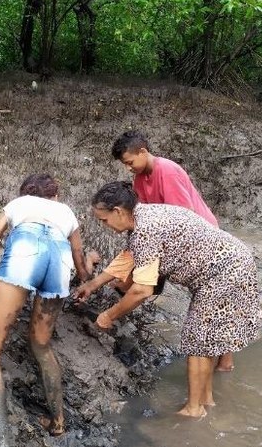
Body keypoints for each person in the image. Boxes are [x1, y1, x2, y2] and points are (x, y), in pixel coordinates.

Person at [81, 181, 261, 419]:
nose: (104, 226)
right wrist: (93, 284)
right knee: (204, 337)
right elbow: (129, 258)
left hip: (223, 272)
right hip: (235, 261)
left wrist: (108, 316)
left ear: (118, 211)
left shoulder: (145, 231)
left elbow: (141, 291)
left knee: (197, 338)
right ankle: (206, 399)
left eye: (104, 220)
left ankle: (194, 410)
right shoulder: (144, 214)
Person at [76, 130, 235, 371]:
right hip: (163, 240)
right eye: (124, 164)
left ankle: (224, 361)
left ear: (143, 152)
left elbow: (182, 216)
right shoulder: (140, 180)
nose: (128, 168)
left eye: (130, 162)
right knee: (133, 281)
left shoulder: (167, 172)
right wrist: (96, 282)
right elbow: (139, 228)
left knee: (207, 304)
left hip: (197, 241)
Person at [0, 173, 90, 447]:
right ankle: (58, 422)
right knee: (41, 346)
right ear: (55, 193)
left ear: (26, 192)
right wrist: (91, 262)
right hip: (60, 262)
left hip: (26, 253)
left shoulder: (19, 204)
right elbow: (82, 270)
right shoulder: (66, 213)